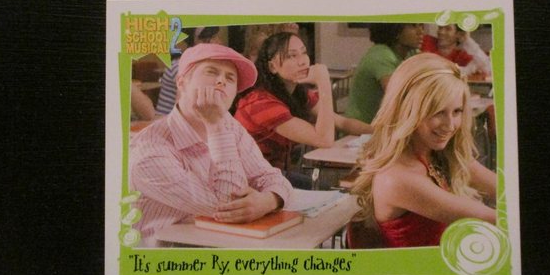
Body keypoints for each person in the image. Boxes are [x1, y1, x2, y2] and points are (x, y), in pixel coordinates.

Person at [130, 44, 292, 247]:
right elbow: (229, 208)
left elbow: (271, 177)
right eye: (211, 72)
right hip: (162, 257)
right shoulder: (149, 152)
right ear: (182, 83)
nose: (221, 81)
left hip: (214, 242)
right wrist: (215, 126)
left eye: (230, 78)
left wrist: (269, 200)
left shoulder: (229, 126)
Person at [349, 53, 496, 248]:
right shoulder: (396, 178)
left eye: (457, 111)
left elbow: (504, 190)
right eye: (438, 112)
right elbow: (495, 220)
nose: (450, 125)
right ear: (407, 111)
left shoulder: (438, 153)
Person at [234, 32, 372, 186]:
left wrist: (380, 132)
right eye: (291, 56)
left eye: (304, 52)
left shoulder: (298, 92)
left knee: (331, 189)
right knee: (331, 191)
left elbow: (340, 122)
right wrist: (324, 82)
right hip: (249, 180)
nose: (303, 61)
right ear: (272, 67)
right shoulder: (261, 102)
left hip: (273, 174)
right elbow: (324, 140)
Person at [345, 23, 425, 124]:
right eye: (412, 26)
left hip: (384, 126)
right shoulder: (382, 55)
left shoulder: (411, 52)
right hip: (362, 129)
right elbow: (399, 97)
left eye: (421, 25)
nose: (421, 31)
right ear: (395, 30)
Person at [155, 26, 222, 116]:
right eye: (209, 38)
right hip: (167, 119)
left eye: (216, 37)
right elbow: (185, 107)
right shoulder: (180, 66)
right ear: (194, 41)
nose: (216, 42)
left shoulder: (205, 66)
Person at [421, 24, 491, 75]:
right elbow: (429, 68)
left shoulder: (461, 56)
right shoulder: (427, 41)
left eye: (448, 29)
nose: (441, 32)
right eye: (440, 27)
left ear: (459, 34)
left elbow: (488, 68)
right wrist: (469, 69)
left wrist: (467, 40)